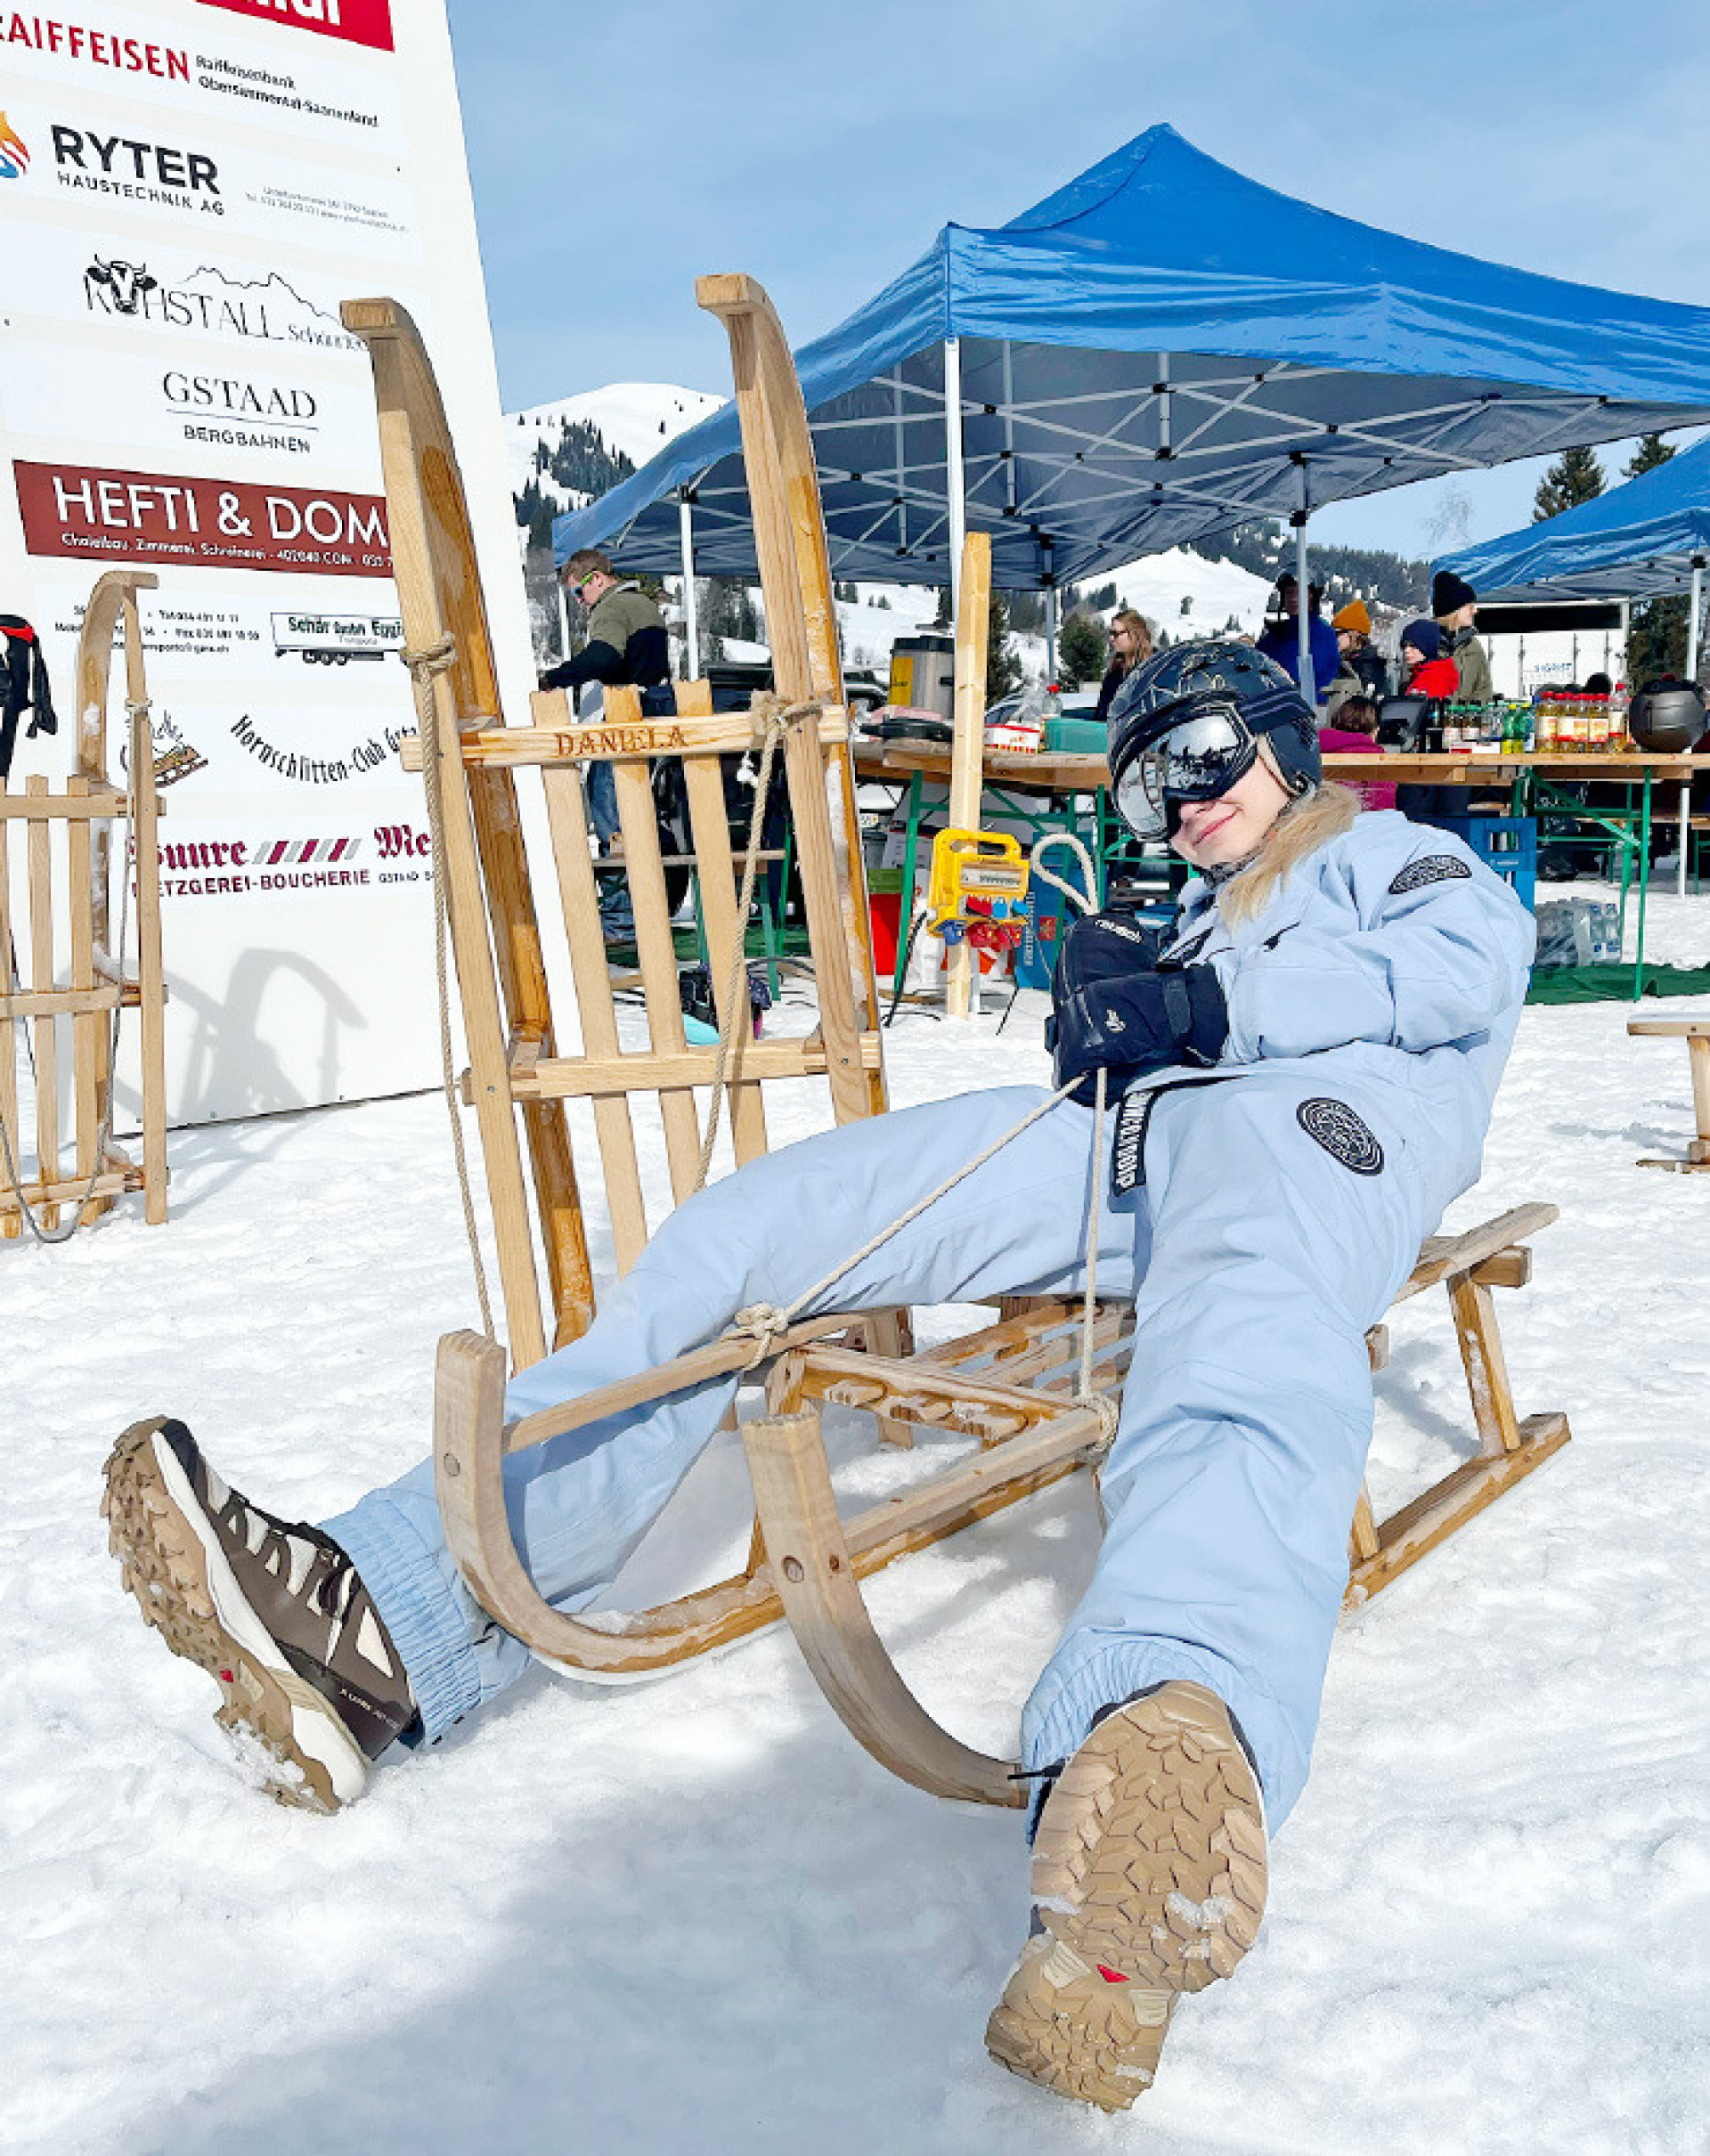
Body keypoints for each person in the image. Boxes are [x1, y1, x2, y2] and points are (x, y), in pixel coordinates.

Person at [102, 639, 1534, 2114]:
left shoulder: (1393, 858)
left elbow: (1466, 968)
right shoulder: (1198, 918)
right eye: (1145, 787)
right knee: (765, 1225)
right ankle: (387, 1618)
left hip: (1314, 1130)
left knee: (1244, 1332)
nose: (1181, 802)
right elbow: (1166, 1012)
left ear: (1284, 739)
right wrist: (1132, 996)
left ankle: (1163, 1749)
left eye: (1205, 755)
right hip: (1139, 1132)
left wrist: (1215, 1014)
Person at [538, 549, 672, 847]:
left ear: (596, 579)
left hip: (621, 721)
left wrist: (554, 678)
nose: (579, 600)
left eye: (578, 591)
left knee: (613, 820)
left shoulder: (611, 608)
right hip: (649, 712)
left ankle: (619, 890)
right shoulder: (641, 604)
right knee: (641, 811)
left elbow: (603, 657)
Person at [1257, 574, 1340, 705]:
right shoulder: (1278, 634)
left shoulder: (1320, 633)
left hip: (1306, 710)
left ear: (1312, 596)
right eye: (1289, 593)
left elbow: (1298, 674)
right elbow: (1256, 661)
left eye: (1299, 592)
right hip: (1273, 705)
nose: (1293, 598)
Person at [1318, 694, 1396, 811]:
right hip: (1361, 823)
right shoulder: (1375, 758)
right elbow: (1383, 806)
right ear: (1375, 731)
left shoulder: (1315, 749)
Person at [1431, 571, 1494, 704]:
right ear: (1454, 611)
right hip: (1433, 723)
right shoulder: (1424, 644)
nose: (1475, 611)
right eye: (1469, 607)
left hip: (1467, 723)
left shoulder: (1473, 646)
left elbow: (1484, 691)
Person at [1094, 607, 1153, 722]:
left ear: (1134, 634)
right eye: (1111, 633)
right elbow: (1102, 716)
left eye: (1116, 634)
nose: (1111, 639)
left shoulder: (1155, 668)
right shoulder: (1114, 674)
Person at [1331, 599, 1389, 703]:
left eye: (1339, 633)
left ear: (1355, 633)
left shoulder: (1371, 666)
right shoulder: (1343, 663)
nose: (1335, 638)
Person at [1399, 617, 1460, 697]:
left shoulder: (1432, 680)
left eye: (1413, 646)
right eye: (1404, 646)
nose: (1407, 650)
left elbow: (1416, 709)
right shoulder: (1426, 672)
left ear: (1428, 647)